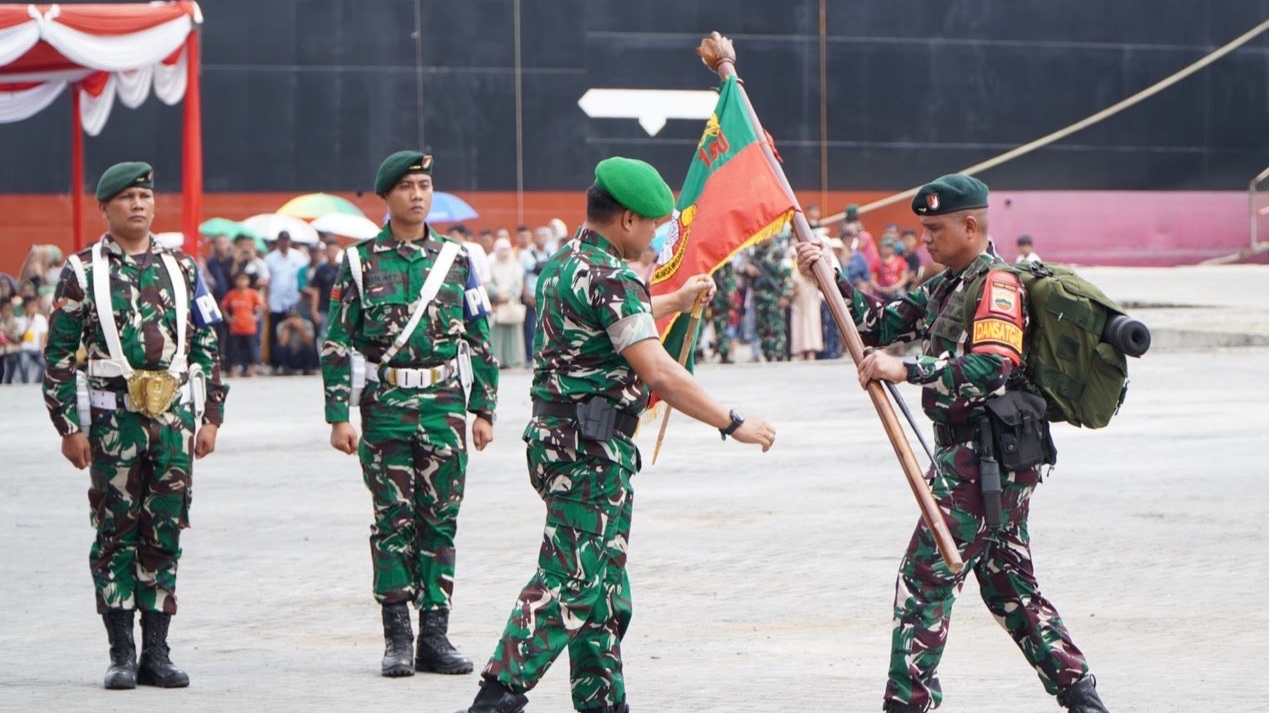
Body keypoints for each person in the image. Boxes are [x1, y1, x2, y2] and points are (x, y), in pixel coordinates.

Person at [454, 157, 777, 713]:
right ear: (627, 219)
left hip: (565, 441)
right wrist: (732, 421)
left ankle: (603, 702)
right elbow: (659, 373)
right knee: (570, 580)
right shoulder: (612, 276)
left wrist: (675, 300)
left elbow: (614, 316)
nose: (655, 238)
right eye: (652, 226)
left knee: (603, 591)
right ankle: (496, 697)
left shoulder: (565, 264)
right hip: (589, 449)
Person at [795, 174, 1111, 713]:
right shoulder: (949, 285)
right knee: (1009, 586)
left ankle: (907, 703)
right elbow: (874, 324)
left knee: (925, 577)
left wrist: (906, 370)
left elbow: (993, 365)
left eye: (935, 229)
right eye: (923, 229)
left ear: (970, 226)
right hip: (974, 458)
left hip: (985, 459)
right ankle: (1082, 696)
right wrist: (826, 275)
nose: (925, 239)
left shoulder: (997, 287)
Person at [42, 161, 228, 690]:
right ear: (105, 207)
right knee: (114, 533)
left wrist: (211, 416)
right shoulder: (82, 272)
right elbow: (59, 356)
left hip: (173, 423)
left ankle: (157, 651)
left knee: (164, 530)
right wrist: (68, 427)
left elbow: (207, 344)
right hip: (111, 423)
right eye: (126, 197)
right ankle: (121, 651)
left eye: (145, 195)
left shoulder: (182, 268)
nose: (139, 205)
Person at [321, 150, 499, 679]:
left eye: (424, 185)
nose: (417, 195)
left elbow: (480, 337)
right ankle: (397, 637)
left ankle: (435, 637)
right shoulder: (359, 262)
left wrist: (484, 408)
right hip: (385, 408)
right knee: (392, 521)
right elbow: (337, 342)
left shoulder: (457, 260)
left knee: (440, 520)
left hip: (444, 406)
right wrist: (338, 415)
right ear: (386, 196)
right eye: (406, 187)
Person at [264, 231, 309, 372]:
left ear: (290, 241)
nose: (284, 243)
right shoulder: (270, 258)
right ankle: (275, 364)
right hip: (276, 301)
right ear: (278, 242)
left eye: (287, 240)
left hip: (295, 300)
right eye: (282, 240)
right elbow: (267, 281)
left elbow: (304, 275)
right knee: (275, 332)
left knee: (296, 330)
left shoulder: (298, 257)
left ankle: (296, 363)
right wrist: (266, 300)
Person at [487, 237, 527, 368]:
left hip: (511, 304)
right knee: (496, 333)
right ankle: (497, 359)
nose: (504, 253)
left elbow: (517, 285)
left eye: (506, 250)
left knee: (511, 333)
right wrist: (497, 294)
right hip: (496, 304)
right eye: (501, 250)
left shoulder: (516, 266)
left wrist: (509, 296)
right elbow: (488, 283)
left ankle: (511, 360)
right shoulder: (490, 264)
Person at [520, 226, 554, 367]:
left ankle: (546, 356)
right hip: (532, 295)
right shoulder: (526, 254)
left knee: (548, 328)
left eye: (543, 236)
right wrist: (526, 295)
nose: (541, 239)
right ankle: (530, 358)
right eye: (538, 236)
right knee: (530, 329)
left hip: (548, 296)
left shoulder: (552, 253)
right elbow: (522, 276)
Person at [220, 271, 265, 377]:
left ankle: (252, 369)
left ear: (248, 281)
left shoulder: (252, 294)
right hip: (235, 327)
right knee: (234, 349)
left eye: (244, 279)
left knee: (251, 349)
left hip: (249, 327)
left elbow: (262, 306)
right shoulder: (231, 294)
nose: (241, 282)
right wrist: (228, 318)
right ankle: (234, 369)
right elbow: (223, 306)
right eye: (239, 279)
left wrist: (256, 317)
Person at [275, 306, 318, 375]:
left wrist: (301, 328)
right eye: (291, 317)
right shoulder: (281, 325)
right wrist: (286, 328)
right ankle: (285, 368)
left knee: (310, 347)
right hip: (290, 355)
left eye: (295, 317)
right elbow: (282, 344)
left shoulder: (307, 324)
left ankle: (307, 368)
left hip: (301, 355)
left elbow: (309, 342)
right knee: (279, 348)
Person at [17, 296, 49, 382]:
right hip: (25, 348)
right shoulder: (20, 320)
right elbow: (20, 338)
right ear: (25, 308)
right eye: (31, 306)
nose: (34, 308)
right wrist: (28, 324)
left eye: (35, 305)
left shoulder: (41, 318)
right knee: (24, 363)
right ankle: (25, 382)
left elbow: (43, 334)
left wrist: (42, 348)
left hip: (37, 348)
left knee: (44, 363)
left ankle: (37, 382)